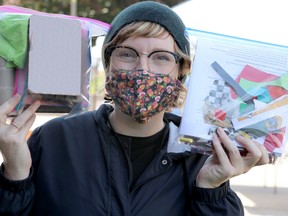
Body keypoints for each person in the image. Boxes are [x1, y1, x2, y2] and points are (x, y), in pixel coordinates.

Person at [0, 1, 269, 215]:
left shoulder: (202, 155)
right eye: (127, 54)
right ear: (108, 64)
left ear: (181, 72)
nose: (143, 69)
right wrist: (15, 175)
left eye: (161, 57)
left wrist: (211, 191)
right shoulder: (54, 139)